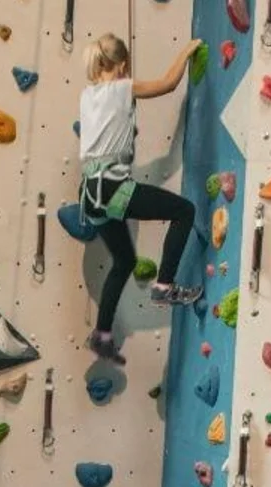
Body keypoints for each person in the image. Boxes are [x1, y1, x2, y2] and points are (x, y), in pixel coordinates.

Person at [78, 33, 205, 364]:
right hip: (111, 187)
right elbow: (166, 83)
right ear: (122, 65)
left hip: (89, 195)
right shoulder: (121, 87)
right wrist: (186, 52)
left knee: (124, 262)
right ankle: (164, 286)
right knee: (184, 211)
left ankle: (102, 335)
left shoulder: (87, 95)